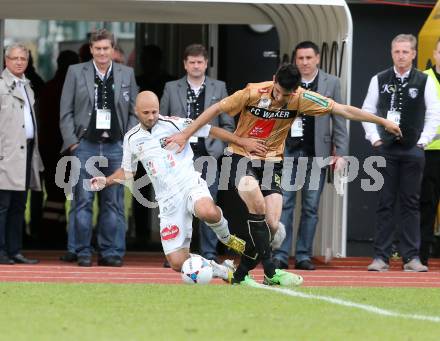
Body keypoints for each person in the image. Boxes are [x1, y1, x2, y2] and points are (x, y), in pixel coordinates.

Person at [167, 63, 401, 286]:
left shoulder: (301, 98)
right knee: (257, 204)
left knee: (272, 224)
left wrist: (382, 121)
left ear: (295, 91)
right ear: (273, 81)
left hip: (272, 162)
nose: (280, 99)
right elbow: (216, 109)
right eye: (278, 92)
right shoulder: (252, 92)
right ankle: (270, 271)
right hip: (240, 156)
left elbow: (343, 109)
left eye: (286, 96)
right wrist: (186, 134)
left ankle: (239, 274)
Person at [90, 91, 264, 278]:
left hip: (189, 183)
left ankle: (228, 238)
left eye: (154, 112)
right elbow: (127, 172)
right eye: (146, 113)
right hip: (168, 201)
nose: (151, 117)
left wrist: (241, 141)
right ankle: (221, 270)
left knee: (208, 211)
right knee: (177, 262)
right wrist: (106, 181)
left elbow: (210, 129)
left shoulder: (173, 123)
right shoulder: (131, 138)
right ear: (136, 112)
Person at [60, 29, 138, 267]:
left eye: (106, 48)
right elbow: (66, 112)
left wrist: (128, 141)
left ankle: (111, 251)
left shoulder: (127, 73)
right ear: (91, 50)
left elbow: (135, 112)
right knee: (82, 201)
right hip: (86, 146)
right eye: (98, 49)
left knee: (114, 203)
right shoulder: (76, 72)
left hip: (116, 146)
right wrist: (73, 142)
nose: (103, 53)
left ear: (113, 49)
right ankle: (82, 251)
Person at [362, 34, 440, 272]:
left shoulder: (423, 81)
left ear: (414, 54)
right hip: (386, 149)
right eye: (397, 51)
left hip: (412, 150)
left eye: (405, 52)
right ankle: (380, 257)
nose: (401, 56)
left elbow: (434, 114)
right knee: (384, 203)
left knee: (411, 204)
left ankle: (411, 257)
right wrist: (374, 138)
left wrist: (423, 142)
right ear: (391, 52)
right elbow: (367, 110)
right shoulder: (379, 79)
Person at [272, 41, 348, 271]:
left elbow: (339, 119)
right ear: (295, 61)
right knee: (284, 204)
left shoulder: (331, 83)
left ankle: (304, 254)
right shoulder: (283, 80)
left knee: (311, 207)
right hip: (288, 152)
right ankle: (281, 254)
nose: (304, 62)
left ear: (317, 59)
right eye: (300, 58)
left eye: (308, 58)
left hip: (317, 153)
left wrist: (341, 153)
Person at [160, 44, 235, 263]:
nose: (195, 66)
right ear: (185, 64)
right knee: (177, 205)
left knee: (207, 203)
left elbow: (227, 123)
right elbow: (162, 123)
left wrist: (220, 149)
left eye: (199, 62)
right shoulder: (171, 88)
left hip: (208, 154)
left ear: (206, 63)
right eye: (191, 62)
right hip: (179, 157)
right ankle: (177, 252)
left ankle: (209, 252)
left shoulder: (219, 87)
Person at [0, 43, 43, 265]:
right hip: (5, 156)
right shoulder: (0, 86)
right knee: (3, 206)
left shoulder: (28, 87)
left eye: (23, 59)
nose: (19, 62)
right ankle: (1, 251)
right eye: (14, 58)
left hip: (25, 154)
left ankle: (15, 250)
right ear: (6, 60)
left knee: (19, 205)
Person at [38, 50, 80, 250]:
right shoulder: (70, 88)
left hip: (49, 147)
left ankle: (51, 231)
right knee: (60, 194)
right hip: (63, 147)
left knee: (54, 194)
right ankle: (51, 233)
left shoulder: (49, 87)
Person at [420, 38, 440, 266]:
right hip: (430, 152)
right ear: (435, 54)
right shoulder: (424, 79)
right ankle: (421, 256)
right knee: (426, 206)